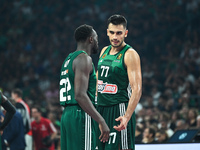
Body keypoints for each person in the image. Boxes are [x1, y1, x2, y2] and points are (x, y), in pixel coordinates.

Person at [59, 24, 110, 150]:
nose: (98, 41)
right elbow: (80, 95)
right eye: (96, 38)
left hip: (67, 115)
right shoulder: (84, 58)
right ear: (91, 39)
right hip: (81, 114)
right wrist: (101, 120)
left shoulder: (68, 59)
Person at [96, 14, 142, 150]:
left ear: (125, 33)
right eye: (112, 32)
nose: (115, 37)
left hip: (119, 109)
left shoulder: (130, 54)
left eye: (119, 33)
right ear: (107, 32)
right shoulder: (104, 51)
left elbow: (137, 89)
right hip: (101, 110)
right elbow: (96, 81)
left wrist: (127, 117)